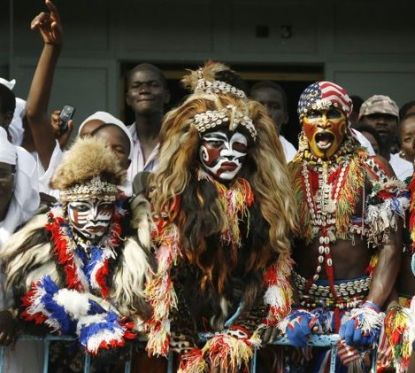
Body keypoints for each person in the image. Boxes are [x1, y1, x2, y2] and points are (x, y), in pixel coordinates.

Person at [142, 61, 296, 371]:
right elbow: (167, 282)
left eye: (238, 145)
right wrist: (189, 351)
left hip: (242, 344)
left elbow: (265, 276)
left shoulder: (264, 205)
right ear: (193, 148)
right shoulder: (173, 200)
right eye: (215, 144)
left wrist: (238, 335)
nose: (228, 154)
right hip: (184, 339)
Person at [282, 81, 408, 371]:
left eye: (333, 113)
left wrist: (371, 307)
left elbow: (390, 245)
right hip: (305, 313)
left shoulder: (372, 168)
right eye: (315, 114)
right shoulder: (288, 175)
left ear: (347, 120)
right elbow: (279, 250)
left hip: (359, 310)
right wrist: (291, 307)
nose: (323, 121)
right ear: (303, 121)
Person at [0, 136, 153, 363]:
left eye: (103, 208)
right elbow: (28, 304)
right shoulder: (39, 242)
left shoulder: (133, 240)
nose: (93, 218)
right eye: (82, 207)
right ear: (65, 208)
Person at [0, 127, 41, 372]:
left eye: (1, 173)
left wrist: (14, 315)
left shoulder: (35, 230)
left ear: (15, 176)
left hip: (22, 355)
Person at [125, 63, 171, 179]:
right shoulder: (116, 144)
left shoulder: (183, 142)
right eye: (136, 86)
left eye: (153, 85)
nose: (144, 90)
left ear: (166, 96)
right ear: (128, 99)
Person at [359, 94, 413, 181]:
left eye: (389, 118)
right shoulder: (348, 167)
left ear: (398, 125)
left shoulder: (409, 167)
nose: (382, 122)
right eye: (374, 117)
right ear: (360, 122)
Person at [249, 80, 297, 162]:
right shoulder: (236, 149)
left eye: (275, 107)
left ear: (285, 117)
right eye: (259, 105)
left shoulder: (293, 157)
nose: (266, 112)